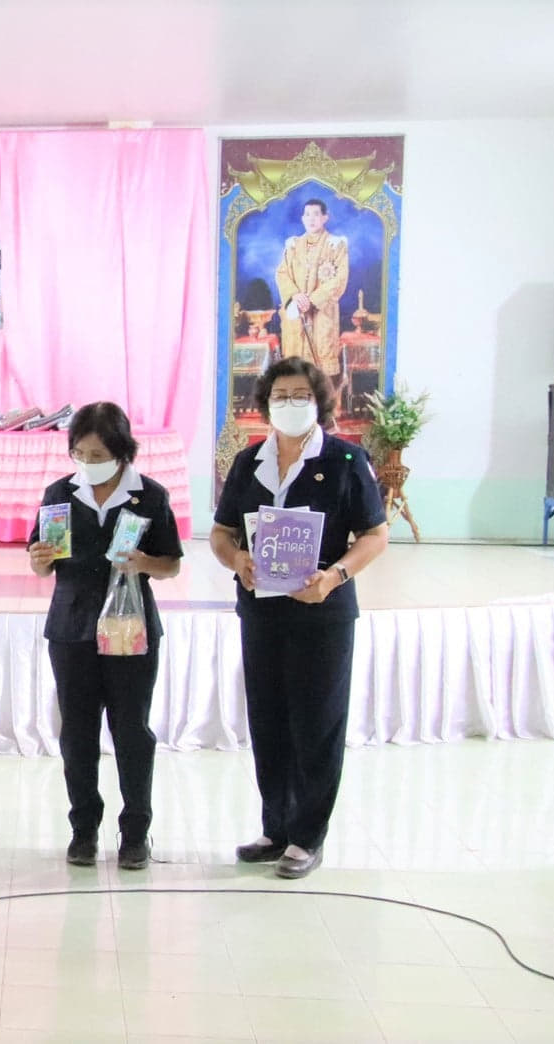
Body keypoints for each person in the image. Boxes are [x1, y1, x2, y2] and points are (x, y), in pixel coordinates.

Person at [209, 358, 390, 879]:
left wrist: (335, 576)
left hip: (323, 614)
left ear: (319, 402)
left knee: (317, 723)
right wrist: (237, 560)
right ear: (266, 404)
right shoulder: (249, 462)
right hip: (261, 611)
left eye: (300, 395)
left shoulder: (346, 459)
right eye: (280, 396)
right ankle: (276, 827)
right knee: (268, 721)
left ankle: (308, 836)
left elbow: (375, 535)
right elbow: (221, 533)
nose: (289, 404)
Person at [27, 402, 183, 870]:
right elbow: (42, 564)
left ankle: (135, 832)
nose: (88, 462)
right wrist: (39, 560)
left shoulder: (149, 495)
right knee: (77, 733)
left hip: (129, 626)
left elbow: (171, 564)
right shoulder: (59, 493)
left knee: (132, 730)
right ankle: (83, 830)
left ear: (122, 452)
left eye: (98, 455)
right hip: (71, 626)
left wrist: (143, 563)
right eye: (80, 453)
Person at [275, 198, 349, 380]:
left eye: (316, 214)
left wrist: (313, 300)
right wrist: (295, 295)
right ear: (302, 218)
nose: (311, 219)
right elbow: (282, 273)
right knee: (296, 368)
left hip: (322, 313)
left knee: (321, 367)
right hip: (297, 312)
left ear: (325, 217)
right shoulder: (293, 245)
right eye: (307, 214)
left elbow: (340, 278)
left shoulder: (336, 245)